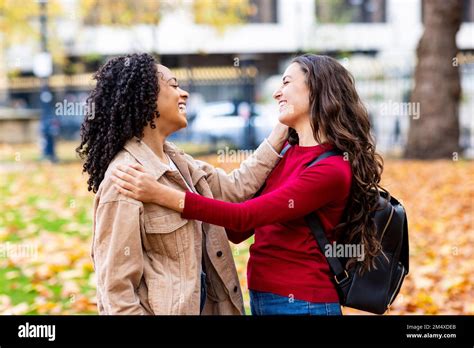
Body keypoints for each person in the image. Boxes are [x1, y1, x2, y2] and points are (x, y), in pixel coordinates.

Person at [113, 54, 386, 316]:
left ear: (317, 89)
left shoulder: (331, 169)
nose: (277, 93)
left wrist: (163, 194)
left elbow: (244, 217)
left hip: (303, 302)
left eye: (286, 83)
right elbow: (236, 230)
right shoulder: (289, 154)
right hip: (263, 298)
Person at [76, 53, 288, 315]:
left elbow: (236, 188)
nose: (184, 94)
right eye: (174, 85)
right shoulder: (126, 178)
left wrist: (281, 131)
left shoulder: (179, 162)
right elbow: (116, 292)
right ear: (147, 98)